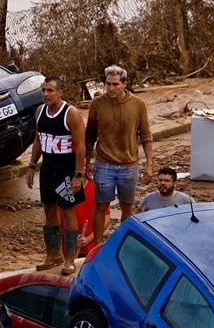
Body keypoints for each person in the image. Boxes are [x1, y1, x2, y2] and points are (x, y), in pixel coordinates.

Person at [84, 64, 153, 246]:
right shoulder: (97, 104)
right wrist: (87, 162)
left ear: (124, 83)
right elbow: (89, 135)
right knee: (100, 205)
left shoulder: (138, 104)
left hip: (129, 164)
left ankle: (125, 245)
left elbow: (146, 135)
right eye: (108, 84)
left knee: (127, 207)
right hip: (104, 164)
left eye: (115, 84)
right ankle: (98, 247)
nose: (111, 88)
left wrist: (149, 164)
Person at [26, 76, 86, 274]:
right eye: (43, 90)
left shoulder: (71, 113)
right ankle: (53, 254)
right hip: (48, 169)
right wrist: (32, 165)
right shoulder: (39, 111)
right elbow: (38, 140)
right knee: (48, 208)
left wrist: (78, 174)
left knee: (68, 210)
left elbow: (81, 147)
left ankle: (70, 258)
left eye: (50, 90)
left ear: (60, 93)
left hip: (65, 171)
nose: (46, 94)